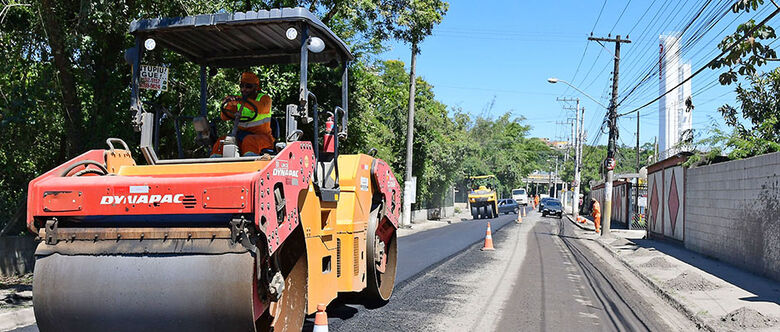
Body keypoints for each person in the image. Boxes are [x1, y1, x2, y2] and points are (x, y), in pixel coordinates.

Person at [211, 72, 273, 157]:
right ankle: (215, 165)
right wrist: (230, 104)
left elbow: (261, 108)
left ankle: (250, 165)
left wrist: (241, 100)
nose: (244, 89)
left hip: (263, 138)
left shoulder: (265, 99)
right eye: (242, 86)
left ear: (256, 87)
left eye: (248, 86)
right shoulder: (239, 101)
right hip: (241, 136)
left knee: (249, 140)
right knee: (222, 141)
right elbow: (224, 117)